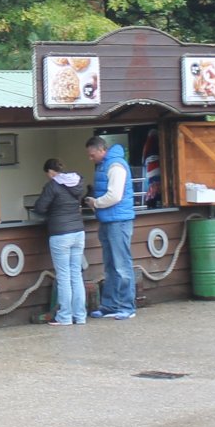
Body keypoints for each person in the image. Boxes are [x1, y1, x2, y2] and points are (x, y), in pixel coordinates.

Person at [84, 136, 137, 319]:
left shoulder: (115, 166)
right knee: (111, 266)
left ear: (101, 150)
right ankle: (110, 305)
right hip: (108, 220)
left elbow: (115, 196)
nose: (91, 159)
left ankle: (127, 307)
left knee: (121, 265)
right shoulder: (104, 165)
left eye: (92, 155)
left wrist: (95, 203)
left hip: (118, 221)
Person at [33, 158, 87, 325]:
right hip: (78, 232)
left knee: (63, 276)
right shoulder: (77, 182)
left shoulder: (53, 185)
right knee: (76, 275)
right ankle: (80, 316)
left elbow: (40, 208)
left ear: (50, 172)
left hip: (60, 233)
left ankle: (65, 317)